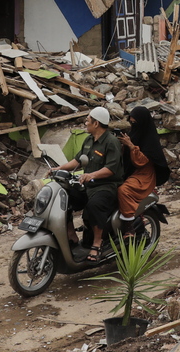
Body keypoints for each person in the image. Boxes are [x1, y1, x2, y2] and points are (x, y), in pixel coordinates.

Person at [50, 106, 123, 260]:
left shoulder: (111, 142)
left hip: (106, 186)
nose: (86, 122)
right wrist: (59, 168)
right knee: (65, 197)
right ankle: (71, 235)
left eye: (88, 120)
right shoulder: (88, 140)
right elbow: (78, 160)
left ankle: (97, 243)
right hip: (88, 185)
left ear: (96, 123)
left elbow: (111, 168)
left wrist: (92, 175)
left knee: (94, 205)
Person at [116, 106, 170, 235]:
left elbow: (142, 162)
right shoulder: (133, 134)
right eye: (131, 122)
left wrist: (130, 146)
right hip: (130, 172)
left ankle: (128, 226)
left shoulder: (150, 139)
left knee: (123, 191)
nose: (133, 125)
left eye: (135, 122)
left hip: (144, 175)